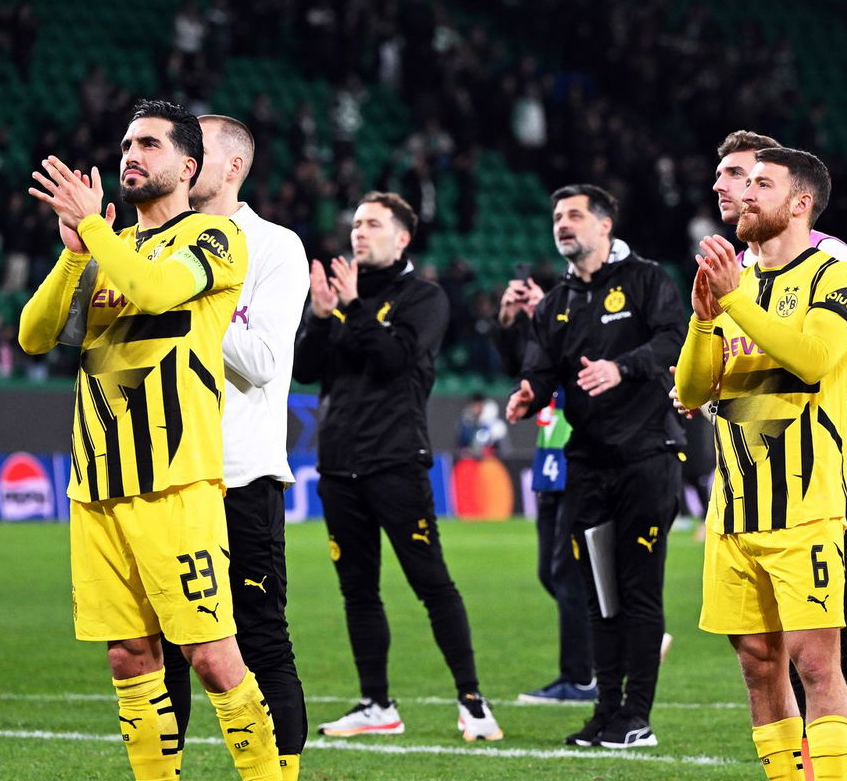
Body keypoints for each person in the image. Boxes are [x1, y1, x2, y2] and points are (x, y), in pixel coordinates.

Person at [20, 99, 302, 781]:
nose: (130, 154)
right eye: (124, 143)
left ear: (189, 166)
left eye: (148, 143)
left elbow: (148, 291)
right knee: (128, 656)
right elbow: (36, 334)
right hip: (97, 483)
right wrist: (76, 253)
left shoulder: (215, 239)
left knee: (214, 658)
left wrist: (101, 235)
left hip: (174, 481)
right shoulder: (110, 248)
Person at [709, 130, 847, 781]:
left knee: (836, 632)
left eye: (743, 178)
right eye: (727, 180)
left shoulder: (832, 259)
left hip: (824, 469)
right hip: (751, 475)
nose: (729, 190)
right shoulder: (742, 267)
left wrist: (770, 382)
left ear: (789, 194)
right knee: (765, 649)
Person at [676, 146, 847, 781]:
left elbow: (815, 360)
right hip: (734, 509)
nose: (745, 192)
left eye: (763, 183)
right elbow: (695, 389)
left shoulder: (835, 275)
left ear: (801, 203)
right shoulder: (736, 281)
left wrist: (736, 301)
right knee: (759, 664)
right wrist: (703, 321)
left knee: (817, 664)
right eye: (742, 181)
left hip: (806, 507)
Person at [293, 191, 501, 742]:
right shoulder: (341, 297)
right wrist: (318, 317)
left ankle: (473, 701)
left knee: (431, 582)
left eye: (373, 225)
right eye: (356, 223)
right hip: (339, 465)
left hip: (395, 462)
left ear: (402, 238)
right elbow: (307, 369)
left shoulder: (425, 298)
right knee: (358, 590)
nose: (359, 233)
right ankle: (375, 703)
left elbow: (392, 360)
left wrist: (354, 306)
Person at [506, 184, 686, 748]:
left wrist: (623, 368)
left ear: (605, 225)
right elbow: (542, 367)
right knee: (599, 595)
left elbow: (677, 340)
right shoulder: (558, 300)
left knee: (638, 591)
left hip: (646, 457)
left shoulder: (647, 279)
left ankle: (639, 715)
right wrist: (529, 394)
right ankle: (606, 712)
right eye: (558, 215)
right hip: (588, 463)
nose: (563, 224)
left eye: (575, 215)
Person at [494, 275, 597, 704]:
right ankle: (620, 635)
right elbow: (522, 371)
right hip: (549, 457)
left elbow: (578, 363)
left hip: (579, 453)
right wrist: (508, 322)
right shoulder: (543, 332)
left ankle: (581, 678)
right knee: (550, 572)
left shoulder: (586, 321)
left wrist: (545, 317)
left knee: (567, 572)